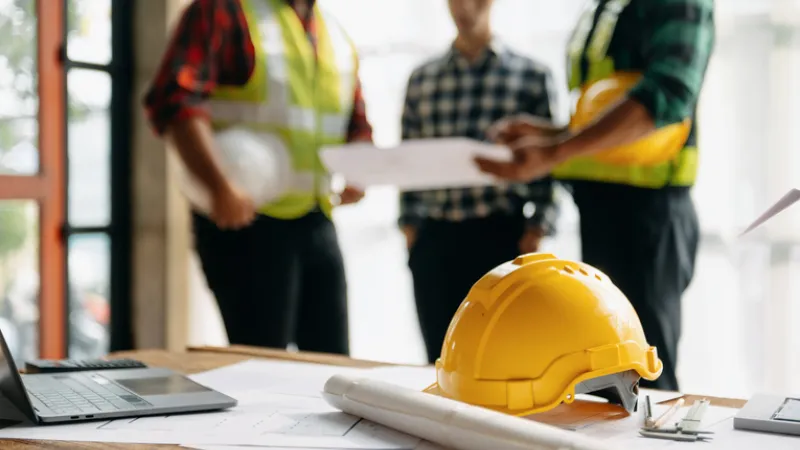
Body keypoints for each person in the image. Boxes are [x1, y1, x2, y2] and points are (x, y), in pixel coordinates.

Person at [475, 0, 715, 391]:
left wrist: (554, 151)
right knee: (610, 377)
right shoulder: (609, 6)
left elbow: (665, 97)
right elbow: (606, 112)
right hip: (604, 212)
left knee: (646, 377)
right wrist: (551, 135)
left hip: (648, 217)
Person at [143, 0, 372, 355]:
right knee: (262, 369)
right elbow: (176, 100)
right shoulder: (223, 10)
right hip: (247, 224)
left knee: (333, 365)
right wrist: (219, 187)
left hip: (317, 218)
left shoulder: (336, 35)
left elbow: (356, 122)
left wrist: (359, 167)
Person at [399, 0, 562, 364]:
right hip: (436, 240)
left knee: (507, 360)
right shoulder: (422, 79)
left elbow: (551, 168)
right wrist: (411, 232)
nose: (463, 6)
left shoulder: (532, 75)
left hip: (503, 239)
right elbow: (409, 162)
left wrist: (537, 231)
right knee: (442, 361)